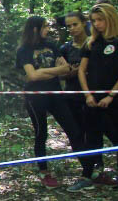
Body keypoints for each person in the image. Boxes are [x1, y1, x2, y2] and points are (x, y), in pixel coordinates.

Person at [15, 15, 93, 188]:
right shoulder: (24, 50)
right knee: (41, 133)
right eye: (44, 27)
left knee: (74, 130)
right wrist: (55, 70)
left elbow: (65, 68)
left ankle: (88, 172)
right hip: (35, 98)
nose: (47, 29)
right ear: (35, 29)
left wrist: (44, 71)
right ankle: (44, 173)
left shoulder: (51, 45)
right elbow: (32, 75)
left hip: (56, 94)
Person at [61, 11, 112, 187]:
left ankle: (98, 171)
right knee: (77, 135)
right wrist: (69, 72)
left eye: (75, 24)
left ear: (84, 23)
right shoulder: (65, 49)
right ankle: (86, 172)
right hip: (73, 97)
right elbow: (62, 73)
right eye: (68, 26)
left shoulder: (96, 43)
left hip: (95, 97)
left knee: (95, 133)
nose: (72, 29)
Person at [75, 3, 118, 191]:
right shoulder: (91, 43)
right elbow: (81, 70)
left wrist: (111, 95)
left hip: (115, 99)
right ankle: (89, 174)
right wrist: (87, 94)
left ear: (110, 19)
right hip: (93, 99)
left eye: (100, 20)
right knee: (91, 138)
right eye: (94, 21)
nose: (97, 24)